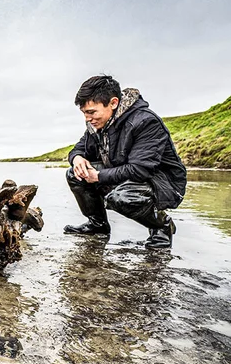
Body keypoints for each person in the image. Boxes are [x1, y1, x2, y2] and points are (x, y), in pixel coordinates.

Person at [64, 75, 187, 248]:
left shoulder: (145, 121)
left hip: (162, 184)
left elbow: (139, 170)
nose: (87, 118)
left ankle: (162, 226)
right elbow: (78, 149)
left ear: (113, 103)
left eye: (91, 112)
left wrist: (98, 176)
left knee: (122, 198)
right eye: (84, 113)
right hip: (124, 174)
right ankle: (98, 225)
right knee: (75, 174)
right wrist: (77, 159)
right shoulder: (97, 124)